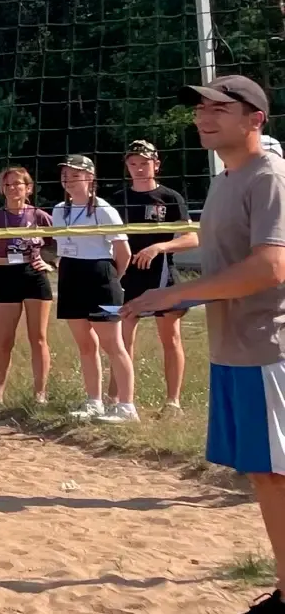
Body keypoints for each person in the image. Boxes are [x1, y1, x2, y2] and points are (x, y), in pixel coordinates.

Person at [122, 74, 285, 614]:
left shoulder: (269, 176)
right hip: (235, 347)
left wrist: (169, 296)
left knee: (282, 479)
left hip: (271, 349)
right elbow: (224, 264)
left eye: (221, 108)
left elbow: (270, 268)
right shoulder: (226, 179)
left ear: (255, 120)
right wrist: (179, 293)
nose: (205, 116)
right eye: (201, 108)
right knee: (266, 479)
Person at [50, 156, 138, 423]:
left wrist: (112, 280)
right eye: (65, 174)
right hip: (70, 275)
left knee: (113, 344)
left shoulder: (103, 210)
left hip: (101, 276)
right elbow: (62, 249)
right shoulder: (58, 210)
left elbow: (124, 254)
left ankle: (126, 406)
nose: (69, 179)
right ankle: (94, 401)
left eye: (75, 174)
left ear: (90, 178)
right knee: (85, 345)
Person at [114, 140, 192, 417]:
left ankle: (172, 403)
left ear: (156, 164)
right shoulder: (119, 198)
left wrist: (160, 247)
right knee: (122, 340)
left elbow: (191, 237)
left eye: (144, 163)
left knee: (170, 338)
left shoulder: (170, 198)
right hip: (127, 276)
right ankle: (121, 401)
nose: (138, 168)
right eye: (133, 163)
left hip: (161, 275)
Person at [0, 165, 54, 409]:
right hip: (7, 276)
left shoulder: (40, 216)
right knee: (4, 340)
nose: (12, 188)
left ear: (27, 187)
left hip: (35, 276)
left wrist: (50, 263)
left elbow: (63, 242)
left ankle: (40, 395)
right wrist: (3, 266)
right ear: (2, 189)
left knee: (38, 338)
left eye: (17, 184)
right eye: (7, 184)